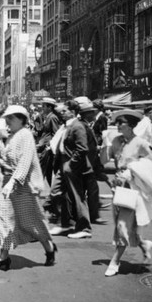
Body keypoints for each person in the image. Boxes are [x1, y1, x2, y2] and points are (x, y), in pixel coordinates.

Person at [0, 105, 56, 270]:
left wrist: (13, 182)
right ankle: (4, 258)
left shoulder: (25, 135)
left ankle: (49, 248)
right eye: (7, 119)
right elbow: (9, 159)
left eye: (11, 118)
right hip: (9, 185)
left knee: (30, 222)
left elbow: (25, 162)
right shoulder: (13, 136)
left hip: (22, 186)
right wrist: (0, 162)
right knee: (5, 220)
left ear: (21, 119)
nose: (8, 122)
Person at [100, 109, 152, 277]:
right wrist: (105, 144)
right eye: (116, 122)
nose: (117, 125)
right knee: (125, 224)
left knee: (122, 226)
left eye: (121, 123)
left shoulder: (140, 143)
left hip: (132, 189)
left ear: (131, 125)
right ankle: (144, 244)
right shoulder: (116, 140)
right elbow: (104, 161)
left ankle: (115, 261)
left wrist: (132, 171)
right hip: (117, 188)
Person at [55, 100, 93, 239]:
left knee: (77, 196)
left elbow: (82, 148)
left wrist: (71, 164)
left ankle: (84, 228)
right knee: (59, 193)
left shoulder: (77, 126)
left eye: (65, 111)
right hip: (64, 163)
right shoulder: (67, 126)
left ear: (73, 111)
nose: (62, 113)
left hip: (72, 165)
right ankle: (65, 224)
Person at [36, 97, 60, 186]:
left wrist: (50, 145)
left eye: (44, 106)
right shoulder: (48, 117)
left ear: (50, 107)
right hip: (44, 147)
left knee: (42, 169)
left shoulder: (52, 117)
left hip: (48, 148)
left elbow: (55, 133)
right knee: (48, 171)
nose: (42, 108)